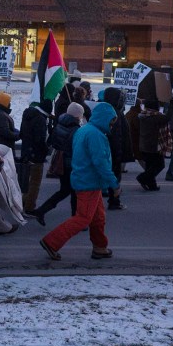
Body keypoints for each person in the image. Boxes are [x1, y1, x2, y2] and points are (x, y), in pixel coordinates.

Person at [38, 101, 120, 262]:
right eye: (112, 121)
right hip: (88, 182)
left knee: (98, 218)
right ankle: (51, 242)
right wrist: (114, 184)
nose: (112, 125)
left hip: (86, 180)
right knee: (83, 218)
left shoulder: (85, 130)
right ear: (104, 118)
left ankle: (99, 247)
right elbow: (100, 162)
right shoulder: (95, 135)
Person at [26, 102, 85, 226]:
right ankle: (76, 219)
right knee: (74, 191)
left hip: (60, 163)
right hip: (71, 164)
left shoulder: (60, 124)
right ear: (77, 116)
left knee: (64, 190)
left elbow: (51, 141)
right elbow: (77, 148)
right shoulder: (76, 129)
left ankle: (41, 211)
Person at [100, 88, 134, 210]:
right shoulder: (115, 114)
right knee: (114, 177)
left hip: (107, 150)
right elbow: (117, 136)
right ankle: (114, 201)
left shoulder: (105, 110)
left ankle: (112, 199)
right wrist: (119, 154)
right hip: (114, 151)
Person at [18, 99, 53, 214]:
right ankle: (29, 207)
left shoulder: (27, 114)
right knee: (35, 182)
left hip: (26, 152)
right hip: (36, 155)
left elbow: (22, 134)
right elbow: (40, 140)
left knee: (26, 181)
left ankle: (22, 202)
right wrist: (46, 150)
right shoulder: (40, 120)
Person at [135, 98, 170, 191]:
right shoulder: (153, 116)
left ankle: (152, 185)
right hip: (153, 146)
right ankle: (142, 178)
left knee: (150, 166)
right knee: (159, 165)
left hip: (144, 145)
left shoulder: (143, 115)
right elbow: (167, 118)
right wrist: (172, 104)